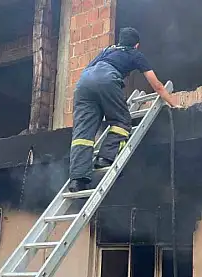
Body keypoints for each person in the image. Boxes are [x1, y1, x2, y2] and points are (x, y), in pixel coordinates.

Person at [68, 27, 181, 193]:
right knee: (121, 121)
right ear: (136, 45)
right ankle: (105, 158)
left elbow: (89, 71)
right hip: (106, 79)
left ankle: (77, 180)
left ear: (119, 41)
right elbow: (156, 84)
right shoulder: (135, 54)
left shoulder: (107, 50)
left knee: (83, 134)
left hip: (83, 84)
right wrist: (173, 103)